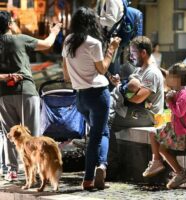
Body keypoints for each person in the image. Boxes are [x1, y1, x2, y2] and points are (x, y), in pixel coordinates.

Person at [62, 7, 121, 190]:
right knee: (100, 134)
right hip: (98, 95)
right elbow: (102, 68)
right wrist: (112, 48)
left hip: (80, 98)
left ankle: (94, 172)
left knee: (96, 133)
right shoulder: (93, 43)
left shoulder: (68, 41)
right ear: (91, 23)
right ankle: (94, 173)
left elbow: (66, 75)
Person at [0, 11, 61, 182]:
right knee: (32, 135)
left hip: (3, 95)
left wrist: (6, 77)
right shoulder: (19, 39)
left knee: (9, 134)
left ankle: (11, 171)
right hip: (26, 91)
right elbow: (47, 44)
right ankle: (37, 170)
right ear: (9, 24)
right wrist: (55, 31)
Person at [142, 63, 186, 189]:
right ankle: (156, 162)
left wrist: (169, 101)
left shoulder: (185, 93)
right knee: (153, 133)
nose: (167, 79)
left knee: (162, 149)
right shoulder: (178, 91)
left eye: (170, 76)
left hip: (182, 128)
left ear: (178, 78)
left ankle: (180, 173)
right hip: (176, 125)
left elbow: (179, 112)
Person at [109, 36, 164, 131]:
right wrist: (118, 84)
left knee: (108, 118)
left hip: (148, 115)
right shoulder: (139, 70)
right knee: (103, 113)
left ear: (143, 53)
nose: (131, 57)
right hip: (137, 110)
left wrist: (122, 90)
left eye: (133, 53)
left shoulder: (152, 73)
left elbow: (137, 98)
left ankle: (95, 144)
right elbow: (130, 90)